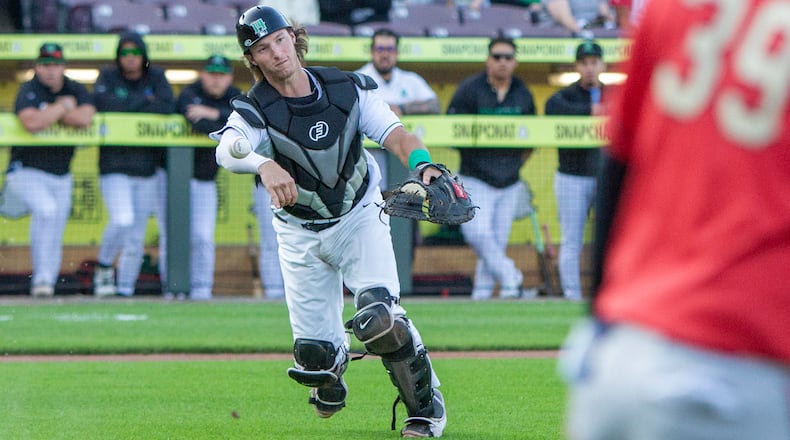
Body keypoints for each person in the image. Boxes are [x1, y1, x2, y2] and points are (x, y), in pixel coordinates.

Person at [213, 6, 447, 437]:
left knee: (379, 318)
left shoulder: (345, 87)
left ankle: (426, 407)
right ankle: (331, 360)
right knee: (312, 355)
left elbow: (397, 134)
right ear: (254, 60)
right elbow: (227, 149)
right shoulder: (255, 108)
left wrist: (425, 166)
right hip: (298, 231)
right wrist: (263, 165)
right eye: (263, 48)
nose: (277, 53)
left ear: (294, 37)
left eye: (281, 40)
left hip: (359, 215)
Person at [561, 1, 790, 439]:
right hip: (742, 367)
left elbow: (617, 168)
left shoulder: (670, 9)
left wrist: (599, 320)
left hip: (619, 360)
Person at [446, 36, 537, 300]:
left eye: (508, 57)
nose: (502, 62)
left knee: (496, 242)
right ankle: (511, 276)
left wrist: (514, 163)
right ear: (488, 59)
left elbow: (534, 135)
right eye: (497, 56)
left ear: (515, 61)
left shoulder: (522, 92)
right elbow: (453, 130)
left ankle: (482, 296)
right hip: (476, 176)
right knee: (476, 232)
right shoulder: (470, 88)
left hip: (510, 180)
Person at [3, 42, 95, 297]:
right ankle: (41, 280)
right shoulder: (29, 88)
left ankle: (48, 282)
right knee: (46, 211)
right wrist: (63, 107)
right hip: (25, 171)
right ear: (37, 67)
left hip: (61, 172)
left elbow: (85, 119)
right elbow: (32, 122)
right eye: (45, 65)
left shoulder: (74, 87)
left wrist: (50, 113)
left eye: (55, 64)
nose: (50, 70)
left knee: (56, 224)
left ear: (63, 66)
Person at [92, 32, 175, 297]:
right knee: (122, 219)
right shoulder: (107, 76)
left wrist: (129, 105)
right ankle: (104, 264)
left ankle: (124, 290)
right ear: (118, 57)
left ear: (143, 56)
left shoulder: (156, 77)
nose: (130, 59)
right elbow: (104, 104)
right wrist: (143, 103)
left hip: (147, 168)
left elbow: (166, 106)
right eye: (125, 53)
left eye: (135, 53)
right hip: (114, 167)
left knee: (136, 237)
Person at [159, 54, 241, 300]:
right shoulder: (189, 92)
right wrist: (220, 117)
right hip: (173, 178)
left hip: (205, 178)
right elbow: (197, 123)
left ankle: (202, 289)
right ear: (203, 74)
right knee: (171, 235)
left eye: (221, 74)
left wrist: (213, 112)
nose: (216, 80)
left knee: (203, 236)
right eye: (211, 74)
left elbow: (245, 121)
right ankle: (172, 289)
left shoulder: (235, 94)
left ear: (229, 77)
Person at [544, 40, 606, 301]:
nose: (590, 68)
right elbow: (551, 108)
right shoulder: (566, 95)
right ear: (578, 66)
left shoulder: (613, 92)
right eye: (584, 63)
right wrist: (589, 111)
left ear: (601, 64)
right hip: (571, 176)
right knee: (572, 241)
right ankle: (572, 297)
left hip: (604, 177)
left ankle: (608, 295)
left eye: (594, 62)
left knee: (608, 240)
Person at [542, 0, 615, 37]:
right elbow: (564, 18)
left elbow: (605, 14)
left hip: (592, 32)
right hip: (564, 35)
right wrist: (582, 33)